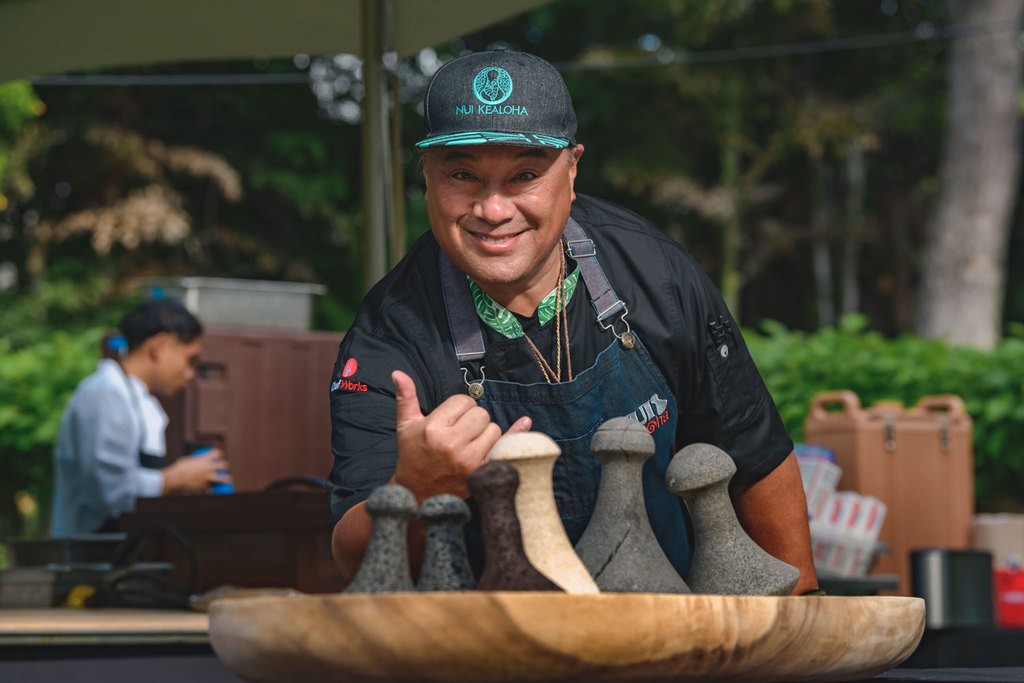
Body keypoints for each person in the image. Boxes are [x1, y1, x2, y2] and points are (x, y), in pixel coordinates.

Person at [327, 49, 819, 593]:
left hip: (671, 628)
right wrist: (417, 489)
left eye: (525, 175)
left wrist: (803, 609)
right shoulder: (389, 333)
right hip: (486, 639)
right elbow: (352, 561)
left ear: (572, 167)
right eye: (462, 175)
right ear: (426, 172)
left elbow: (753, 452)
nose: (494, 210)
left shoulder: (656, 272)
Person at [51, 299, 231, 535]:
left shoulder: (141, 401)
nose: (190, 374)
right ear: (159, 346)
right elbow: (111, 493)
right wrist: (174, 478)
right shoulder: (104, 394)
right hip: (90, 551)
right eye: (190, 360)